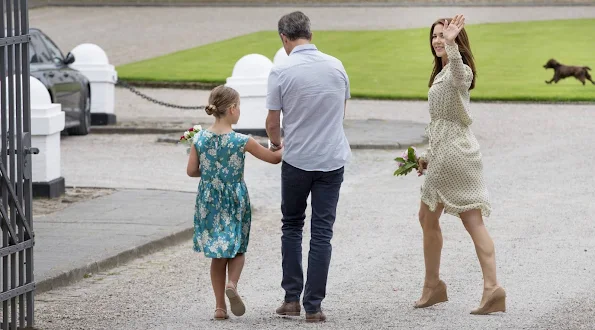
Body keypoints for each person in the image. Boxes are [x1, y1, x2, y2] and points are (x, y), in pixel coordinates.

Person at [415, 15, 506, 315]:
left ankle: (437, 286)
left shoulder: (459, 70)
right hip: (454, 153)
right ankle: (481, 288)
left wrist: (452, 46)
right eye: (435, 36)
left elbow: (459, 76)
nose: (438, 40)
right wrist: (425, 157)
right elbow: (440, 123)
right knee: (452, 220)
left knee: (441, 218)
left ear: (456, 40)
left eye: (443, 35)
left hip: (453, 156)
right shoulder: (440, 73)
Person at [265, 11, 351, 323]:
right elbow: (340, 111)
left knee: (291, 226)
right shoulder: (336, 65)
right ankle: (313, 305)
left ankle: (291, 298)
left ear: (284, 39)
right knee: (322, 233)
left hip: (298, 159)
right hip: (331, 159)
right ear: (310, 35)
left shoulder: (281, 70)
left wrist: (276, 145)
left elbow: (273, 123)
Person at [187, 85, 283, 320]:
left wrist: (212, 173)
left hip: (209, 201)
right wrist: (281, 146)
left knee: (217, 254)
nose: (239, 111)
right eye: (238, 107)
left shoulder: (199, 138)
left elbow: (191, 171)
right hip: (235, 199)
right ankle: (232, 283)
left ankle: (220, 307)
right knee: (237, 247)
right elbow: (273, 159)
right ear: (231, 109)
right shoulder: (241, 141)